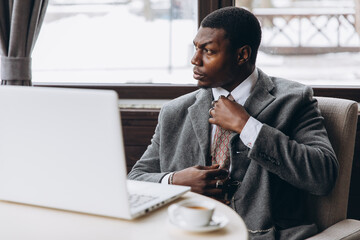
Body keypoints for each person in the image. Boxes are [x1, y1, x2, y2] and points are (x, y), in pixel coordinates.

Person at [128, 6, 338, 240]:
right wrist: (175, 180)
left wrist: (247, 125)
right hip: (187, 233)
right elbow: (135, 179)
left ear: (242, 55)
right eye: (196, 48)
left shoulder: (294, 100)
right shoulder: (174, 112)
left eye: (208, 51)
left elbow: (323, 176)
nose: (194, 59)